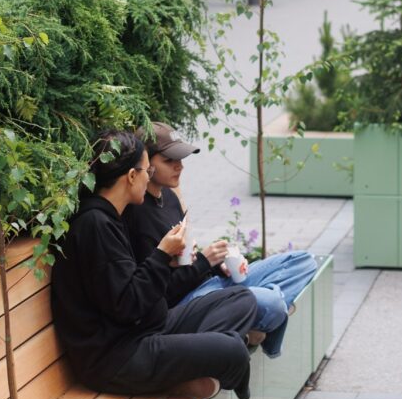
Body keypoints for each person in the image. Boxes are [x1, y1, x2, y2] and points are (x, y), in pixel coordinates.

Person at [51, 130, 257, 399]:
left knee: (240, 298)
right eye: (147, 170)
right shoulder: (95, 226)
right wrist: (161, 256)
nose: (149, 177)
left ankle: (191, 361)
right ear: (131, 176)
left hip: (148, 329)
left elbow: (128, 289)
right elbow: (127, 306)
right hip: (117, 357)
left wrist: (168, 262)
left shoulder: (111, 217)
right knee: (232, 350)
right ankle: (200, 363)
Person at [122, 123, 318, 359]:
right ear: (147, 163)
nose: (180, 166)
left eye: (181, 159)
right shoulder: (138, 215)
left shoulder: (171, 198)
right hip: (187, 304)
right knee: (273, 303)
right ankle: (262, 317)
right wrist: (204, 262)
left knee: (304, 262)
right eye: (169, 160)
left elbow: (187, 260)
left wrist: (218, 264)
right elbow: (160, 293)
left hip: (210, 284)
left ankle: (255, 322)